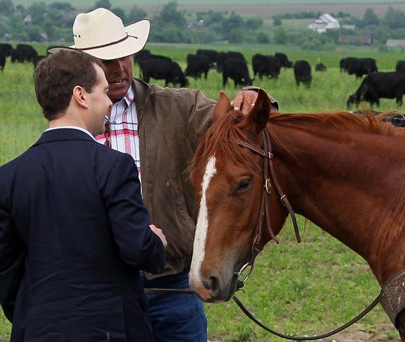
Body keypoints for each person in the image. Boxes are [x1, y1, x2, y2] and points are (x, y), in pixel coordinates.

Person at [51, 8, 278, 342]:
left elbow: (239, 124)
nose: (117, 70)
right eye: (105, 61)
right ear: (84, 66)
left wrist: (256, 96)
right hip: (98, 290)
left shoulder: (177, 107)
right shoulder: (70, 120)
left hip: (170, 286)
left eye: (123, 57)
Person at [0, 49, 168, 341]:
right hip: (112, 330)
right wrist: (157, 242)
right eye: (104, 92)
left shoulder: (7, 177)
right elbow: (137, 248)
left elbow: (2, 267)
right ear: (81, 95)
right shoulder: (114, 166)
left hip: (37, 330)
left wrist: (34, 314)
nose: (110, 102)